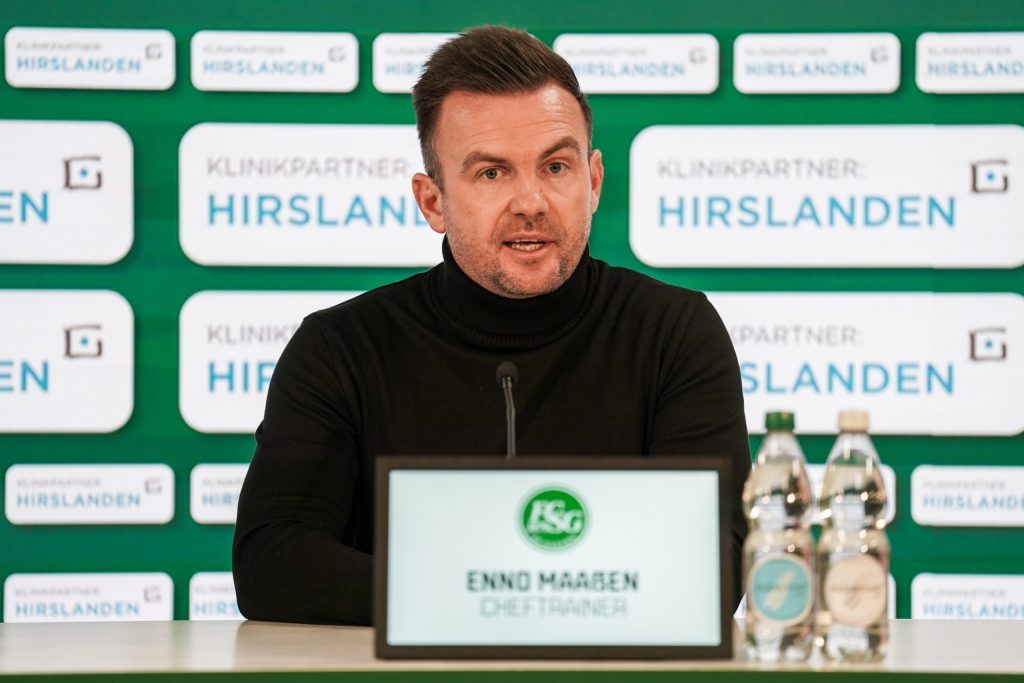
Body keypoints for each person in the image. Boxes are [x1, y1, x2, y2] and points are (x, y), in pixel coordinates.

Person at [232, 26, 750, 625]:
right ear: (433, 202)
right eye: (491, 173)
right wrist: (494, 595)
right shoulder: (340, 348)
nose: (531, 202)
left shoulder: (674, 332)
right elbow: (271, 563)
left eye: (555, 166)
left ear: (593, 181)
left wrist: (475, 593)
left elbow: (710, 566)